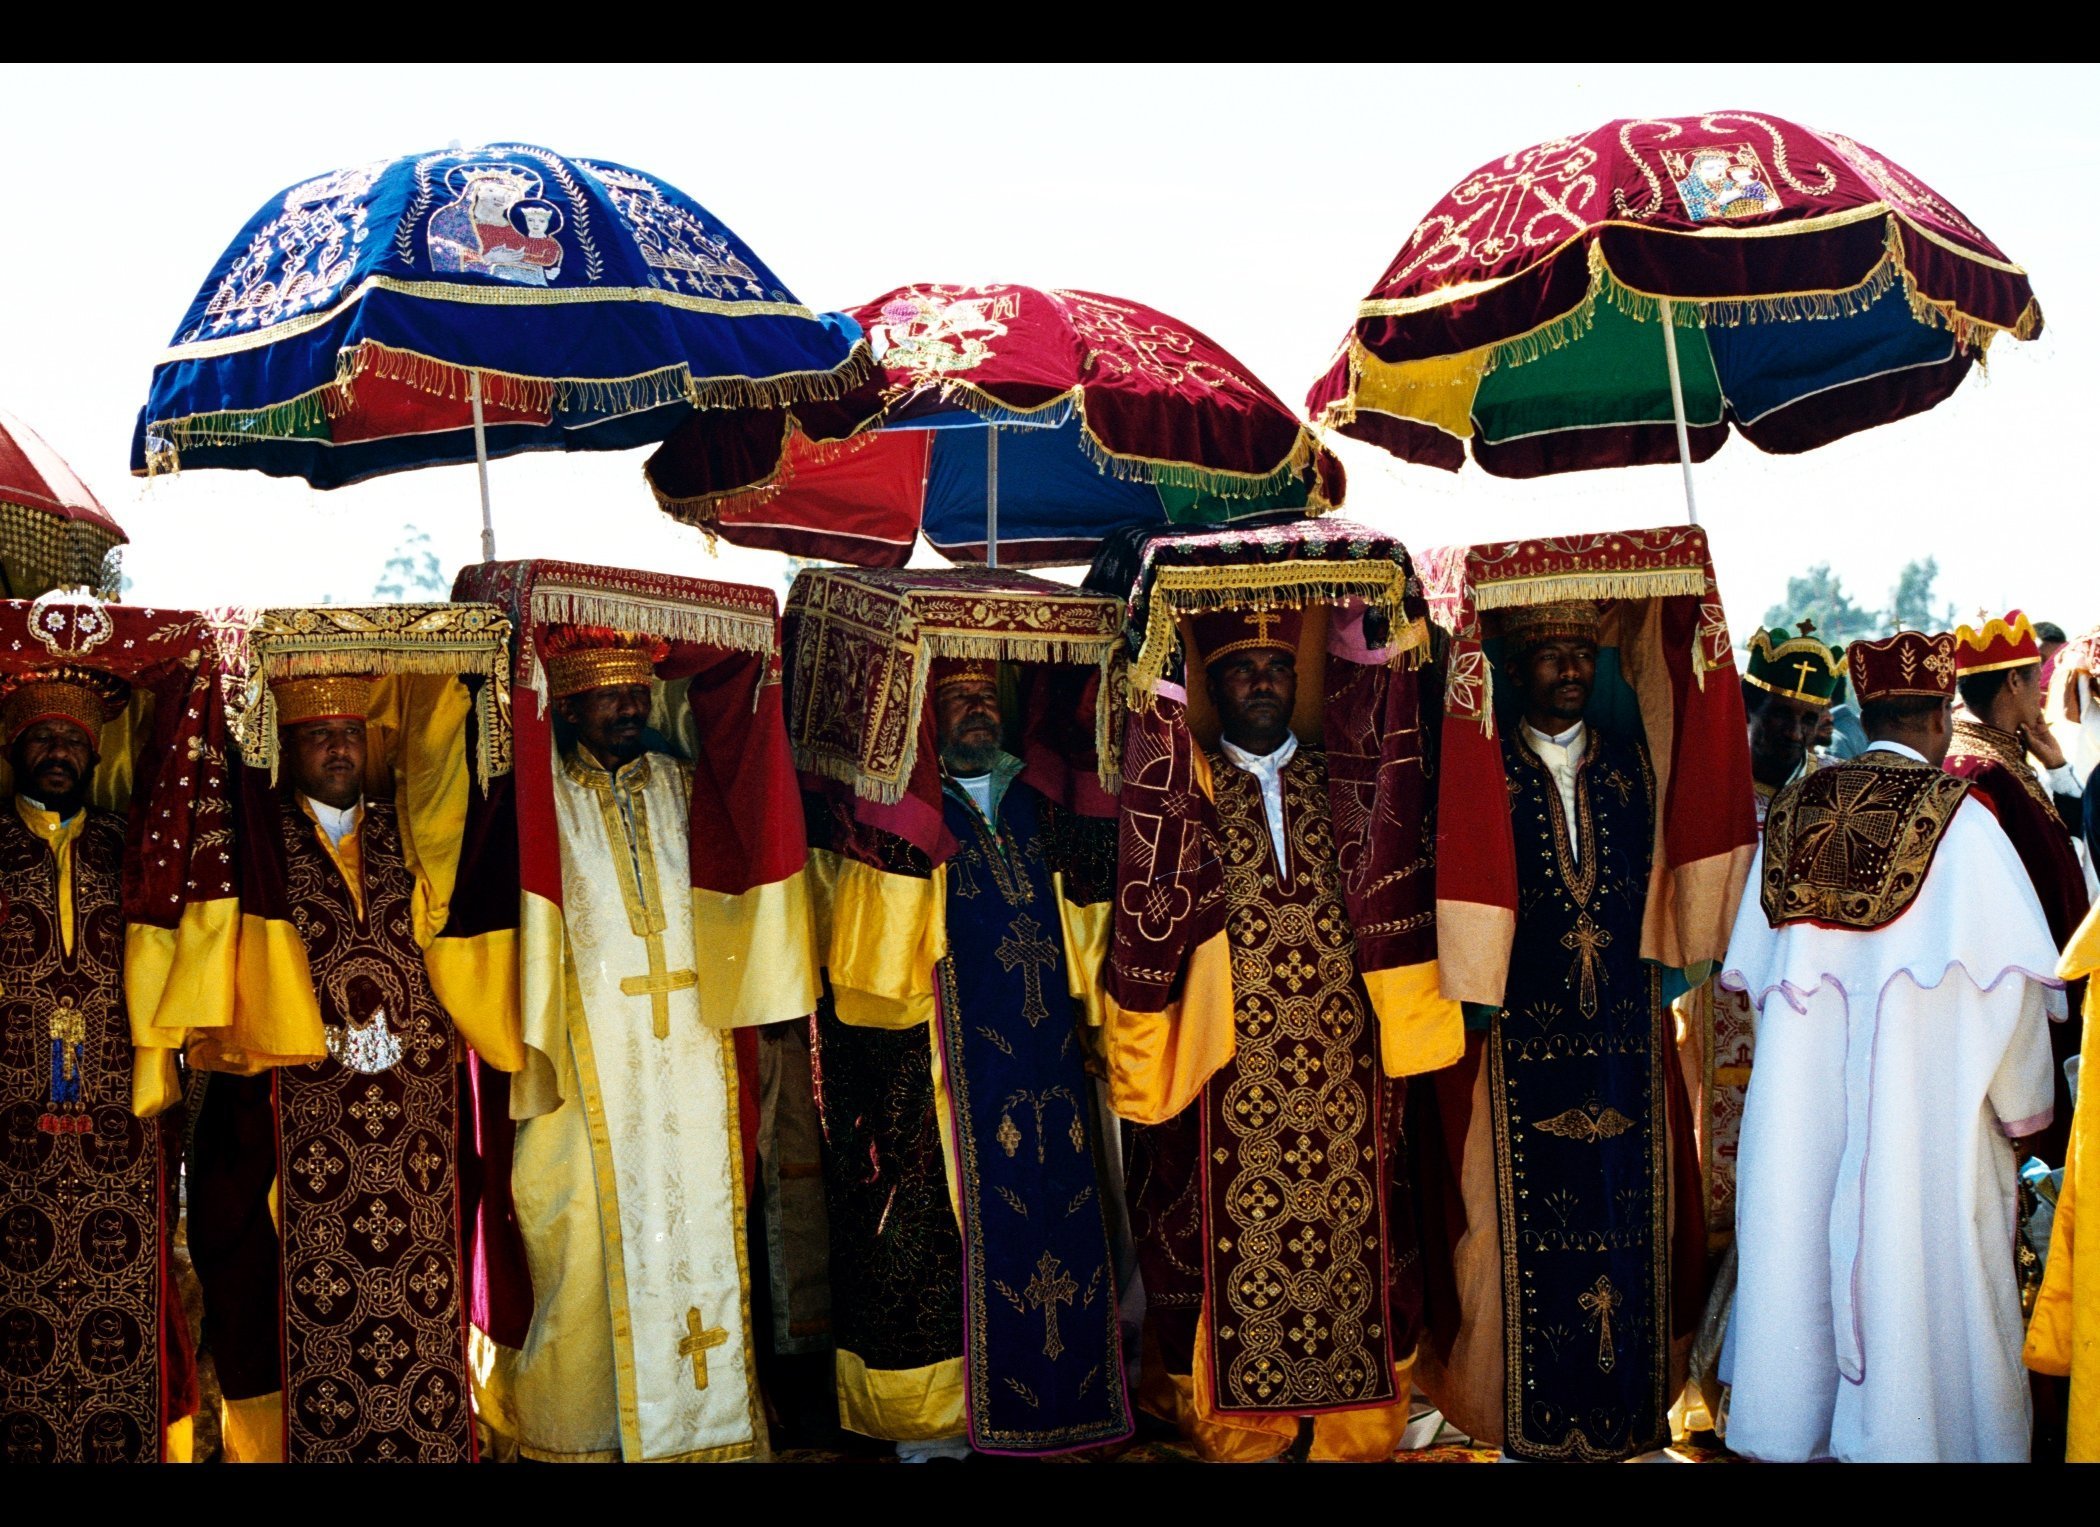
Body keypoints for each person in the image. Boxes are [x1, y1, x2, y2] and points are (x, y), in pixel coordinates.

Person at [1722, 629, 2062, 1462]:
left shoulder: (1797, 812)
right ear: (1944, 717)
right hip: (1928, 1130)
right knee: (1928, 1296)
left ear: (1860, 710)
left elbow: (1760, 981)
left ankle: (1797, 1429)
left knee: (1797, 1258)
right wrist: (2025, 1116)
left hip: (1804, 1119)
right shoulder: (1964, 823)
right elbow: (2011, 988)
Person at [1115, 607, 1418, 1462]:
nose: (1259, 682)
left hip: (1344, 1080)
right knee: (1219, 1242)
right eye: (1240, 669)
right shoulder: (1190, 792)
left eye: (1275, 668)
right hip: (1230, 1082)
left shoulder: (1343, 786)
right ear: (1213, 687)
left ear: (1296, 681)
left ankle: (1346, 1425)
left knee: (1355, 1243)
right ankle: (1247, 1429)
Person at [819, 658, 1127, 1460]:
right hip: (936, 1070)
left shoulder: (1038, 799)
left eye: (987, 696)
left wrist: (1106, 1027)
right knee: (929, 1234)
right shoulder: (899, 814)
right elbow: (867, 964)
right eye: (958, 701)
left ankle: (1058, 1403)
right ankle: (933, 1426)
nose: (977, 713)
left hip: (1045, 1067)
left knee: (1055, 1222)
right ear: (927, 721)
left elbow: (1089, 919)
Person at [190, 674, 476, 1462]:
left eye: (350, 730)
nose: (339, 745)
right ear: (289, 748)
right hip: (299, 1130)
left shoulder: (407, 838)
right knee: (287, 1301)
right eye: (319, 732)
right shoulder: (259, 849)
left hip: (412, 1135)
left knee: (417, 1304)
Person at [497, 627, 766, 1462]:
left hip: (690, 1053)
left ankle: (704, 1426)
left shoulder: (684, 790)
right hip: (584, 1069)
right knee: (577, 1230)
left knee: (702, 1225)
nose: (629, 707)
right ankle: (578, 1433)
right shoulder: (539, 803)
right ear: (567, 703)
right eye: (609, 695)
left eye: (636, 692)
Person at [0, 666, 198, 1463]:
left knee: (126, 1308)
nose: (57, 752)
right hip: (9, 1134)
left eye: (71, 741)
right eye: (41, 737)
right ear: (15, 748)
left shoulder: (130, 850)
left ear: (91, 752)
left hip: (122, 1131)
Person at [1676, 620, 1843, 1434]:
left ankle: (1758, 1377)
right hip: (1709, 1021)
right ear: (1752, 706)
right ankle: (1694, 1382)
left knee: (1783, 1195)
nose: (1794, 730)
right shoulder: (1711, 791)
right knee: (1707, 1193)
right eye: (1781, 712)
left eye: (1810, 719)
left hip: (1795, 1028)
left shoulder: (1828, 801)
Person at [1948, 611, 2090, 1164]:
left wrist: (2056, 769)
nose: (2044, 690)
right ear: (2014, 682)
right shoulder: (1980, 773)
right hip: (2024, 997)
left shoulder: (2005, 757)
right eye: (2038, 676)